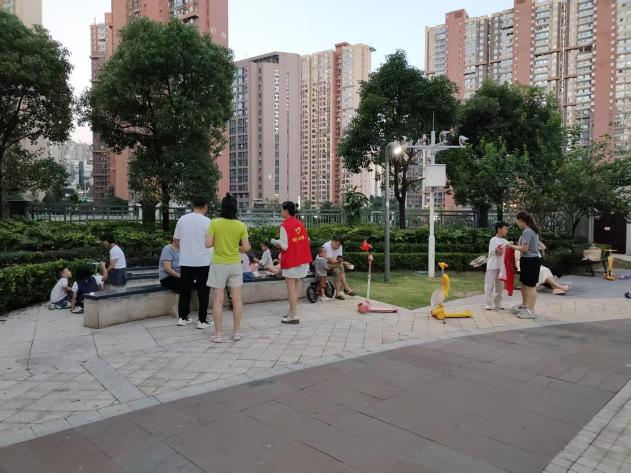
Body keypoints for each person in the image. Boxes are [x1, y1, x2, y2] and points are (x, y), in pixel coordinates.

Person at [206, 193, 250, 343]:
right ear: (235, 208)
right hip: (235, 265)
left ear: (222, 208)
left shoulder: (214, 223)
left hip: (218, 265)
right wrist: (234, 248)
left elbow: (208, 244)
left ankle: (218, 335)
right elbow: (246, 247)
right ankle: (237, 332)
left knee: (218, 300)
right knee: (237, 299)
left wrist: (220, 244)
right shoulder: (241, 225)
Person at [173, 196, 212, 329]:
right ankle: (202, 320)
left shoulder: (182, 219)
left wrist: (186, 249)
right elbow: (211, 242)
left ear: (193, 205)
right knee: (203, 291)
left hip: (185, 260)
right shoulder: (207, 221)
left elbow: (176, 239)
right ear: (205, 206)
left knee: (185, 290)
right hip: (202, 261)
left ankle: (182, 317)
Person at [271, 201, 312, 324]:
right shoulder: (300, 223)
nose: (280, 211)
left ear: (286, 211)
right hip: (302, 260)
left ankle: (294, 316)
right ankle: (291, 311)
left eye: (281, 209)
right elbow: (307, 240)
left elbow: (285, 246)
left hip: (292, 261)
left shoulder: (284, 225)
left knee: (291, 290)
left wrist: (276, 242)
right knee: (295, 289)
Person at [508, 211, 541, 319]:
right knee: (523, 283)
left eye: (517, 221)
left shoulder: (527, 231)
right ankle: (524, 305)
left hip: (531, 261)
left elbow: (525, 249)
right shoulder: (530, 231)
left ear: (521, 220)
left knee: (530, 286)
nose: (517, 224)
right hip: (527, 260)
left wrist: (510, 246)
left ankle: (530, 311)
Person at [484, 222, 509, 310]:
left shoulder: (506, 241)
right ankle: (488, 303)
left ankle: (498, 303)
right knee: (489, 284)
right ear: (499, 229)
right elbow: (498, 252)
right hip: (492, 265)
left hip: (501, 266)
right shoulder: (493, 240)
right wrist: (504, 248)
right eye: (505, 229)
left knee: (500, 286)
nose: (507, 231)